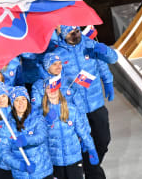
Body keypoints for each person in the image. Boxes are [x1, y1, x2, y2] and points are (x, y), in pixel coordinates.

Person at [53, 25, 118, 179]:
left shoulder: (90, 44)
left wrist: (108, 80)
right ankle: (92, 172)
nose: (75, 35)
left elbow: (110, 60)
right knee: (84, 143)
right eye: (71, 33)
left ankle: (90, 167)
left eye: (77, 31)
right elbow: (55, 81)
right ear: (63, 35)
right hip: (76, 110)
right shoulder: (57, 55)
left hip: (96, 104)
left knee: (103, 140)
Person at [41, 80, 99, 179]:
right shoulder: (41, 114)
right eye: (49, 88)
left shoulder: (71, 109)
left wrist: (92, 149)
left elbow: (83, 133)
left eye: (54, 87)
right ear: (45, 92)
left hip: (74, 160)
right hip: (55, 162)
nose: (52, 90)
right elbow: (41, 139)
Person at [0, 86, 53, 179]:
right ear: (12, 104)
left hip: (42, 172)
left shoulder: (38, 119)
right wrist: (20, 166)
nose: (21, 103)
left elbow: (42, 136)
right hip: (21, 175)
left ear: (28, 101)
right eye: (17, 100)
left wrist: (25, 140)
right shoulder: (7, 126)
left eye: (23, 99)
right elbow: (4, 153)